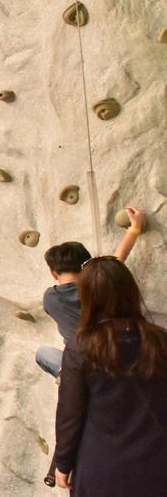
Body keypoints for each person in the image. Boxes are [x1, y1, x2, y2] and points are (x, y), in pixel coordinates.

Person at [53, 256, 167, 495]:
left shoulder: (82, 347)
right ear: (130, 290)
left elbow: (70, 414)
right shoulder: (160, 339)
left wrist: (62, 463)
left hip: (102, 466)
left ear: (88, 296)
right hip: (157, 463)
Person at [36, 207, 146, 379]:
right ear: (87, 266)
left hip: (80, 361)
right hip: (112, 356)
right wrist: (135, 228)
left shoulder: (50, 298)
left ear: (53, 273)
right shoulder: (99, 285)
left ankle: (68, 376)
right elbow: (118, 260)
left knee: (43, 354)